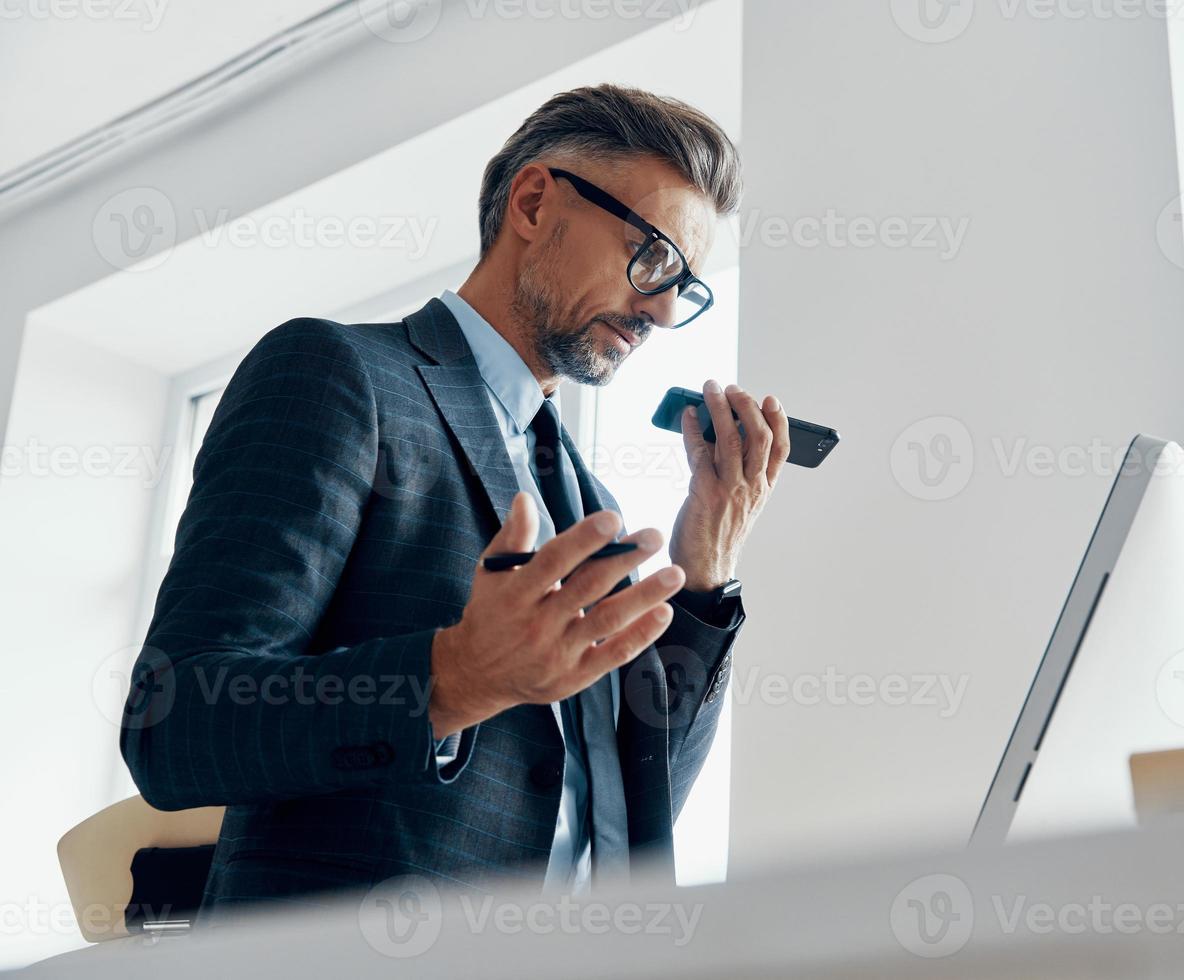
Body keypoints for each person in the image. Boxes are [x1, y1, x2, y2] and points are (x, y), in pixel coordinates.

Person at [120, 83, 788, 915]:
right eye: (652, 256)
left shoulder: (590, 507)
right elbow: (174, 723)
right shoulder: (339, 376)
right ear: (537, 203)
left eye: (684, 287)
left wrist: (707, 572)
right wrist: (453, 679)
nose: (658, 308)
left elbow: (638, 812)